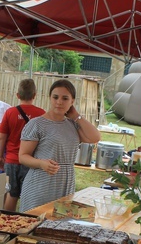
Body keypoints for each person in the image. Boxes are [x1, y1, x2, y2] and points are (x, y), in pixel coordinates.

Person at [18, 79, 101, 212]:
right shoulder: (37, 124)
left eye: (65, 98)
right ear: (50, 98)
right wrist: (41, 163)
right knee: (34, 226)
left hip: (65, 185)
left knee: (59, 229)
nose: (59, 102)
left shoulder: (73, 125)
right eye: (55, 97)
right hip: (39, 185)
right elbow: (23, 156)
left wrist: (76, 116)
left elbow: (95, 137)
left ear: (72, 101)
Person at [0, 78, 45, 211]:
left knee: (12, 194)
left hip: (11, 160)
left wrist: (0, 156)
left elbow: (2, 137)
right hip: (31, 161)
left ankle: (7, 225)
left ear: (17, 95)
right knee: (28, 195)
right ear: (35, 95)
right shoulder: (41, 114)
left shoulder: (10, 112)